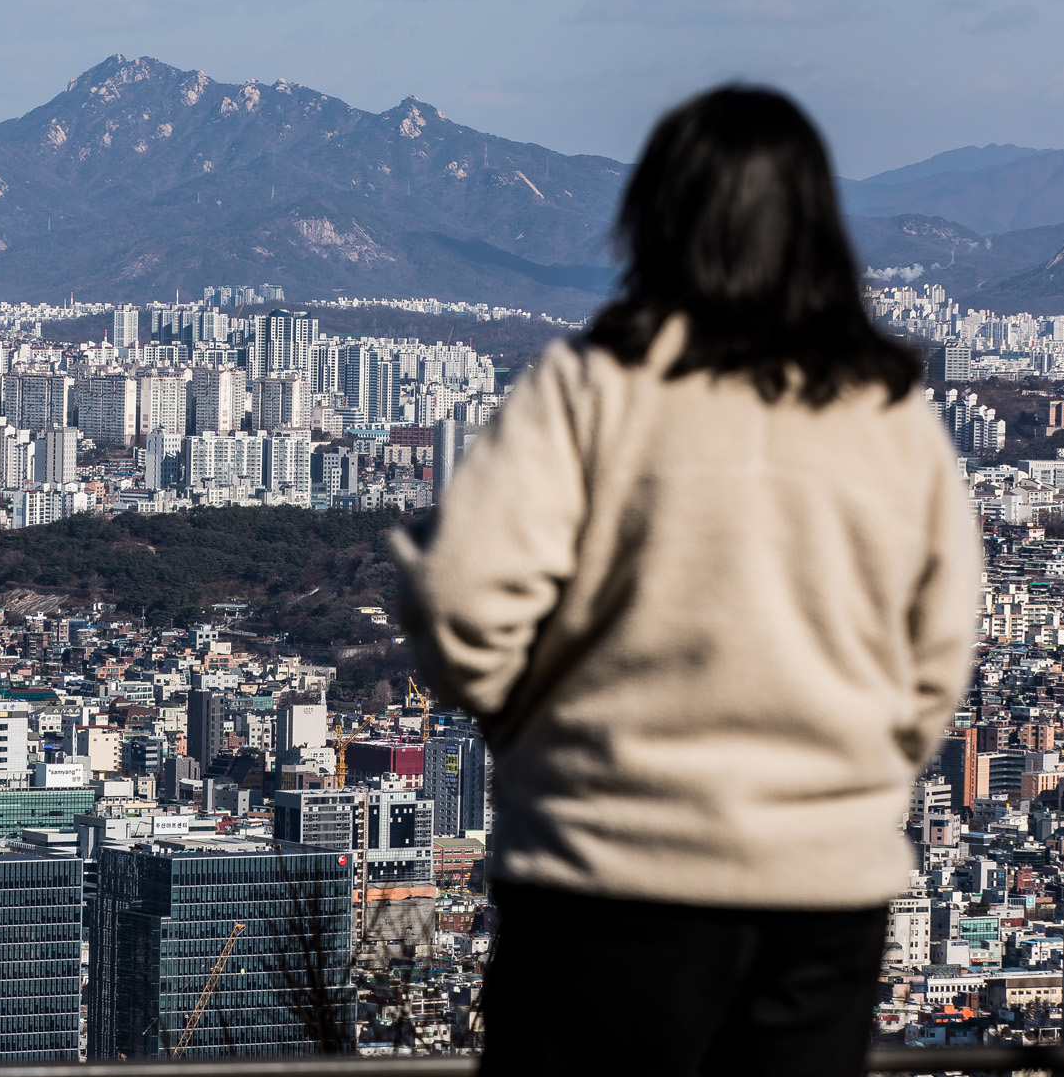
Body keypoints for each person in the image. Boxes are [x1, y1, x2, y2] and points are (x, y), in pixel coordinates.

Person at [393, 86, 981, 1077]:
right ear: (816, 228)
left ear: (655, 218)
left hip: (606, 870)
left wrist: (527, 723)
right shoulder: (887, 416)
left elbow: (460, 595)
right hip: (821, 889)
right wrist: (851, 773)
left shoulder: (592, 386)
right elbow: (939, 652)